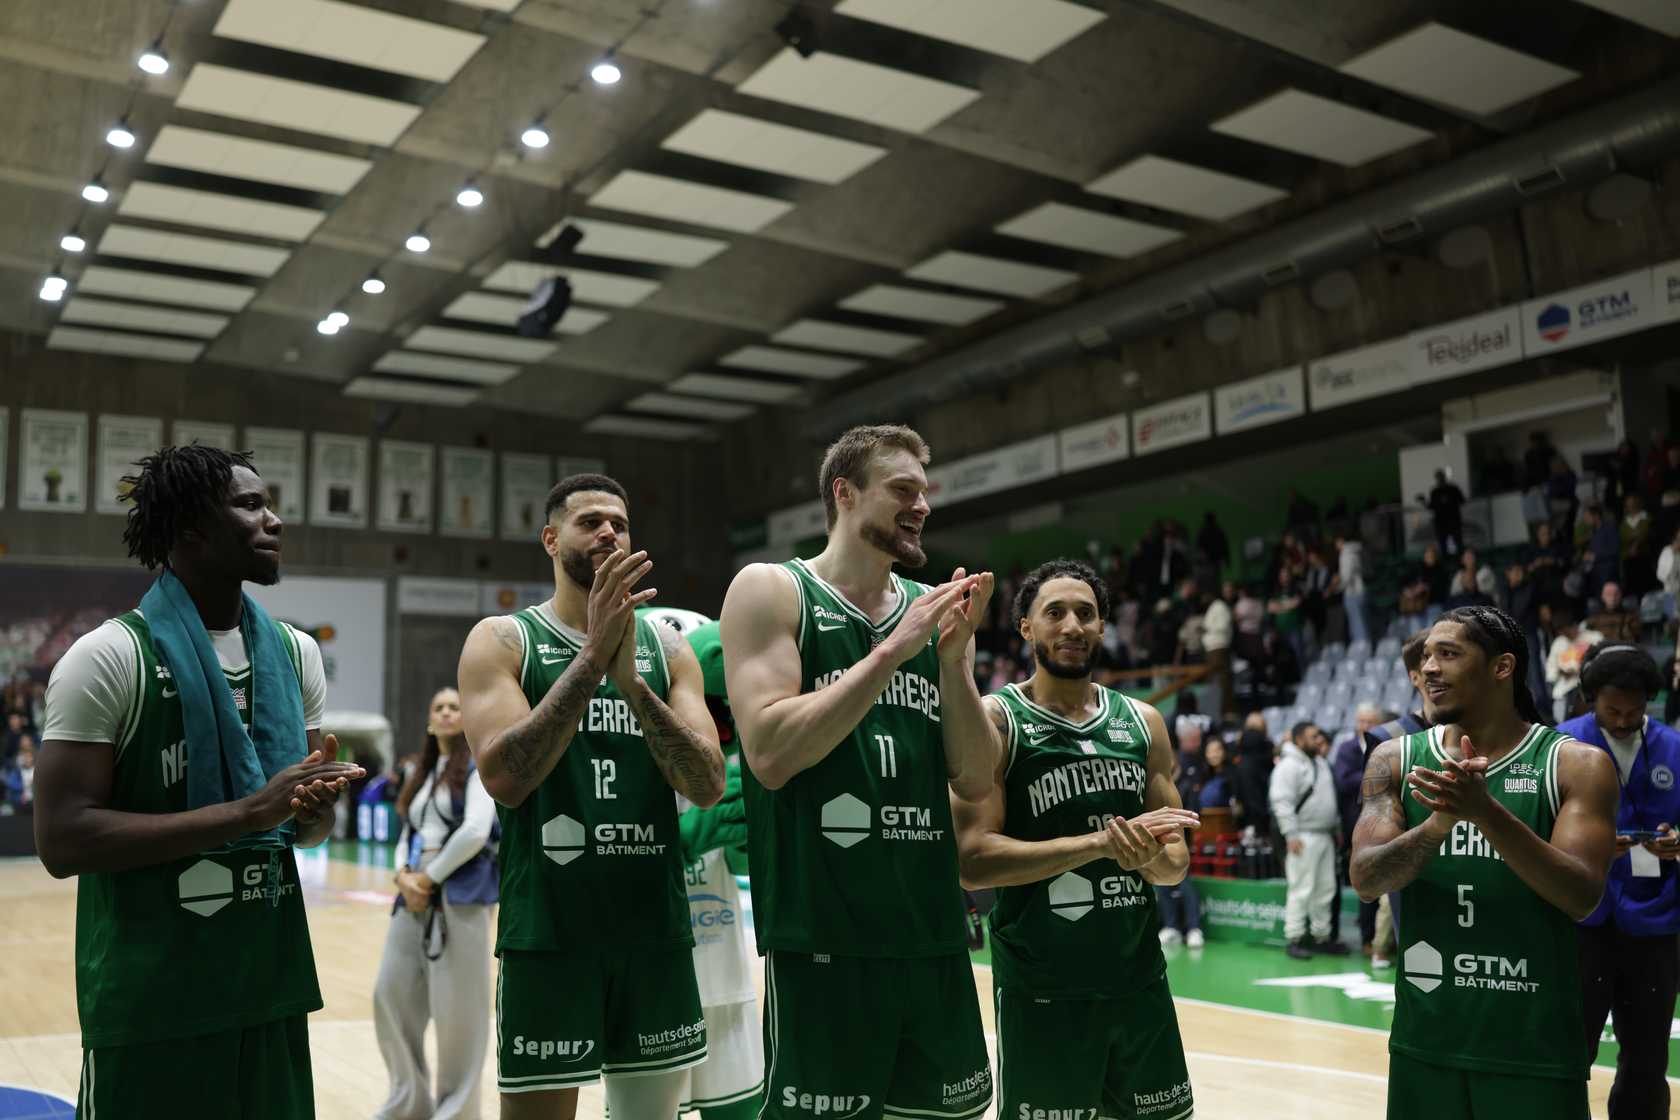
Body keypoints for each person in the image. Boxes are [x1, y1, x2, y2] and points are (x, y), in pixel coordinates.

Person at [33, 444, 364, 1119]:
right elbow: (62, 840)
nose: (273, 520)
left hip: (267, 987)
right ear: (192, 528)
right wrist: (247, 813)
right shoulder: (109, 656)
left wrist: (314, 809)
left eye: (269, 504)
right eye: (250, 505)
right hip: (151, 1001)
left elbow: (303, 829)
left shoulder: (296, 653)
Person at [719, 425, 995, 1120]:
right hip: (824, 940)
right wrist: (889, 657)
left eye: (926, 492)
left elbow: (975, 777)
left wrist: (956, 664)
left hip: (932, 933)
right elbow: (771, 755)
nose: (923, 505)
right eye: (903, 489)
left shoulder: (931, 612)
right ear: (844, 494)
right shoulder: (771, 590)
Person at [457, 472, 726, 1117]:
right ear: (551, 539)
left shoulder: (669, 651)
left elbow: (707, 784)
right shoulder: (502, 639)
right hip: (550, 933)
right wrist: (592, 659)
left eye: (621, 523)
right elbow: (506, 780)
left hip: (652, 932)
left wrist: (632, 684)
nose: (609, 531)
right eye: (590, 522)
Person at [950, 558, 1198, 1119]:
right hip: (1043, 991)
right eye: (1054, 613)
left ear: (1104, 627)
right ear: (1025, 629)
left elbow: (1175, 862)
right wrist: (1096, 847)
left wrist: (1146, 861)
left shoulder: (1142, 721)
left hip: (1138, 984)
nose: (1072, 626)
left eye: (1086, 613)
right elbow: (973, 860)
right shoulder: (996, 720)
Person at [1350, 606, 1619, 1120]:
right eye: (1426, 655)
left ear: (1502, 668)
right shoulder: (1394, 759)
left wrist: (1485, 813)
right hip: (1425, 1038)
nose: (1429, 667)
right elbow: (1365, 879)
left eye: (1448, 654)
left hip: (1534, 1044)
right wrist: (1437, 827)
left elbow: (1581, 897)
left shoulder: (1575, 764)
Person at [649, 610, 765, 1120]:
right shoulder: (633, 754)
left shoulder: (735, 758)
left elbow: (742, 862)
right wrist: (691, 836)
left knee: (742, 1110)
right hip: (655, 977)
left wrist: (747, 843)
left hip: (726, 974)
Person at [1560, 645, 1680, 1120]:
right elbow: (1535, 826)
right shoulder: (1562, 744)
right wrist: (1583, 846)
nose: (1626, 719)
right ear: (1590, 699)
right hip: (1583, 917)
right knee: (1570, 1047)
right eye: (1613, 710)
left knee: (1648, 1055)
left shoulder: (1674, 746)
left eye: (1635, 710)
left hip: (1655, 922)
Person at [373, 686, 497, 1120]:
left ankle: (457, 1112)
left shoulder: (481, 767)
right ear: (429, 720)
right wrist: (403, 877)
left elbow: (476, 832)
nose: (446, 713)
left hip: (460, 898)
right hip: (412, 896)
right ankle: (408, 1103)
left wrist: (428, 877)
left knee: (460, 1013)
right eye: (438, 707)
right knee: (390, 996)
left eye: (455, 707)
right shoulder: (421, 772)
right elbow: (407, 830)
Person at [1270, 721, 1344, 959]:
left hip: (1324, 834)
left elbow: (1328, 800)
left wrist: (1336, 828)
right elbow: (1282, 802)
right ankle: (1295, 937)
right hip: (1302, 835)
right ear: (1299, 739)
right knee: (1301, 888)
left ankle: (1321, 936)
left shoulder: (1320, 763)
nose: (1318, 740)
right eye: (1313, 736)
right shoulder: (1289, 765)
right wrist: (1290, 833)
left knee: (1325, 888)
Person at [1546, 611, 1604, 724]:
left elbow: (1603, 661)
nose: (1566, 634)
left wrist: (1583, 668)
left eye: (1568, 630)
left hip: (1590, 684)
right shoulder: (1559, 643)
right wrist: (1560, 672)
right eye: (1562, 632)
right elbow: (1551, 669)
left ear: (1575, 625)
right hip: (1565, 687)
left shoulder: (1594, 638)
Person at [1200, 587, 1233, 716]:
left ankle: (1226, 710)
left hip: (1218, 646)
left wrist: (1206, 627)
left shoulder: (1219, 606)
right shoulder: (1214, 607)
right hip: (1212, 647)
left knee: (1222, 680)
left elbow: (1223, 625)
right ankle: (1217, 710)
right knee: (1214, 680)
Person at [1423, 470, 1466, 557]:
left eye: (1441, 477)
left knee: (1458, 543)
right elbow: (1431, 507)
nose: (1440, 479)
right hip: (1441, 523)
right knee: (1443, 545)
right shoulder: (1435, 491)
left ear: (1444, 477)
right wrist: (1423, 501)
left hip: (1453, 521)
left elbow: (1462, 501)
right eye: (1438, 477)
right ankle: (1446, 563)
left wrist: (1449, 502)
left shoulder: (1453, 489)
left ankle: (1460, 562)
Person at [1338, 533, 1369, 646]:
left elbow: (1346, 577)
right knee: (1362, 623)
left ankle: (1362, 651)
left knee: (1357, 626)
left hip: (1352, 593)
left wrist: (1338, 588)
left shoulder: (1346, 554)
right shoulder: (1357, 550)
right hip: (1361, 591)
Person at [3, 736, 34, 810]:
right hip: (20, 802)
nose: (27, 759)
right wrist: (24, 785)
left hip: (34, 802)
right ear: (22, 759)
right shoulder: (17, 771)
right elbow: (10, 783)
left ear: (32, 758)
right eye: (25, 757)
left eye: (29, 757)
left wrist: (34, 783)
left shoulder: (37, 771)